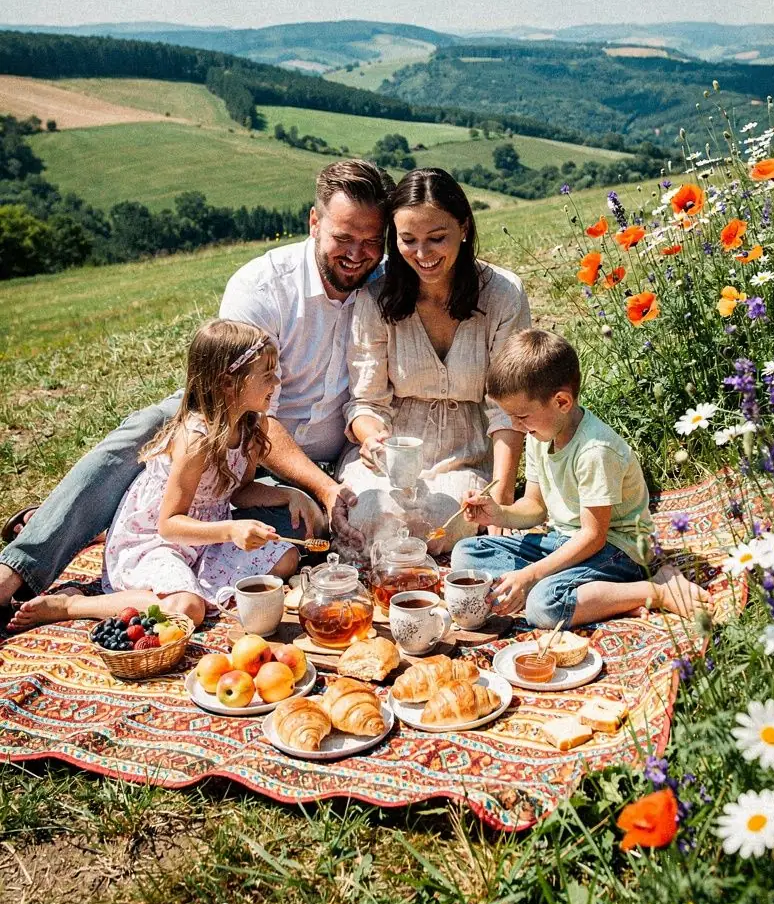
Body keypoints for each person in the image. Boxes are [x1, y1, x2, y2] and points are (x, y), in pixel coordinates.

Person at [1, 159, 393, 626]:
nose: (357, 254)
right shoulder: (263, 286)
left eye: (372, 241)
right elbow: (250, 411)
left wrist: (319, 489)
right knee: (149, 431)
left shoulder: (388, 286)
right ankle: (18, 568)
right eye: (343, 238)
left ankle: (126, 520)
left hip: (294, 468)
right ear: (314, 222)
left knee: (301, 538)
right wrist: (324, 488)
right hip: (239, 427)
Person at [13, 321, 323, 630]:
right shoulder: (196, 438)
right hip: (157, 539)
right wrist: (231, 530)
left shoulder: (251, 427)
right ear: (228, 383)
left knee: (286, 558)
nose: (277, 381)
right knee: (187, 609)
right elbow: (169, 524)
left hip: (204, 538)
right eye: (267, 375)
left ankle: (188, 580)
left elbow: (239, 492)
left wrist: (289, 494)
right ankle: (74, 604)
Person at [452, 328, 710, 625]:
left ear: (562, 402)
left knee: (544, 605)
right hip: (564, 540)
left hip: (618, 550)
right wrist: (498, 514)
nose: (515, 426)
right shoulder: (540, 434)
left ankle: (654, 590)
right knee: (466, 554)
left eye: (521, 417)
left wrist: (532, 574)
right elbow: (535, 507)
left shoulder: (595, 451)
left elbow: (594, 537)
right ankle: (595, 597)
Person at [336, 168, 530, 558]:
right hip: (391, 458)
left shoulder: (503, 294)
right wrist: (371, 438)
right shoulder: (376, 298)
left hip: (466, 455)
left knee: (445, 522)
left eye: (437, 238)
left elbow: (507, 409)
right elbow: (366, 402)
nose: (423, 255)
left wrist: (503, 497)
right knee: (367, 515)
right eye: (408, 240)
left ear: (464, 227)